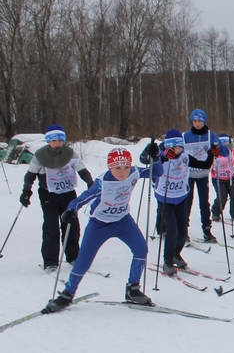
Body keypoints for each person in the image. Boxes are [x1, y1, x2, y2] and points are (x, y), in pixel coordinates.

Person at [43, 145, 163, 313]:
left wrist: (156, 157)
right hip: (99, 224)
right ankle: (67, 294)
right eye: (118, 168)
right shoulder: (102, 182)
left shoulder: (135, 173)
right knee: (83, 261)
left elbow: (156, 172)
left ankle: (133, 289)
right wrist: (70, 210)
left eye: (126, 167)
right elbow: (82, 199)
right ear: (110, 167)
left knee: (141, 249)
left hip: (123, 221)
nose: (123, 172)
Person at [20, 125, 94, 272]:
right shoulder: (40, 155)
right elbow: (30, 175)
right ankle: (51, 261)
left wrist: (91, 184)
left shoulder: (70, 154)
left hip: (68, 193)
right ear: (48, 140)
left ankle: (73, 256)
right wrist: (26, 191)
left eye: (60, 140)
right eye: (54, 140)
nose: (57, 143)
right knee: (51, 226)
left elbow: (82, 171)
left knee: (71, 225)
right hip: (48, 194)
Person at [153, 129, 193, 275]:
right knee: (172, 230)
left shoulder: (185, 156)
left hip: (181, 197)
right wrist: (162, 157)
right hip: (165, 199)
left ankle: (176, 253)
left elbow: (201, 163)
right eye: (174, 147)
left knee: (183, 231)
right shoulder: (160, 155)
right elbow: (147, 160)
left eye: (180, 146)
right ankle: (168, 259)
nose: (177, 150)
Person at [183, 109, 222, 244]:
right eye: (195, 121)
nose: (197, 124)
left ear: (204, 121)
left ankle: (207, 230)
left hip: (203, 175)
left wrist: (217, 150)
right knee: (187, 202)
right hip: (189, 174)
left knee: (204, 203)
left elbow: (222, 149)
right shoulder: (186, 136)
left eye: (200, 121)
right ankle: (184, 230)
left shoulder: (211, 135)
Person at [210, 133, 234, 223]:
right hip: (218, 178)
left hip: (230, 177)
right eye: (222, 144)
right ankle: (216, 212)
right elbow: (208, 163)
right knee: (222, 196)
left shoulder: (232, 152)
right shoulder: (214, 152)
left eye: (226, 144)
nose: (224, 146)